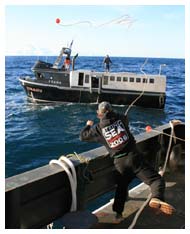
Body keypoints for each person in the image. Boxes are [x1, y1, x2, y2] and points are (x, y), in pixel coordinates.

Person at [80, 101, 175, 221]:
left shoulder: (97, 129)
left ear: (99, 114)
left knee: (121, 188)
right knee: (156, 180)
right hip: (134, 157)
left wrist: (88, 125)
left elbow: (83, 136)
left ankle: (118, 215)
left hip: (119, 163)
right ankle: (157, 197)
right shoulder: (121, 118)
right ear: (111, 110)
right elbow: (125, 118)